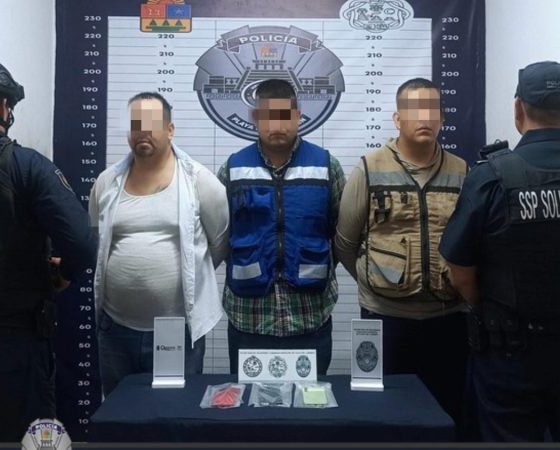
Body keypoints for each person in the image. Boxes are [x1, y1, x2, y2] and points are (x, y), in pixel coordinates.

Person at [0, 54, 96, 441]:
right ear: (1, 105)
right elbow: (81, 242)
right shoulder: (25, 165)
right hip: (10, 350)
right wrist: (61, 274)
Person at [334, 78, 468, 429]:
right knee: (384, 415)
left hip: (447, 318)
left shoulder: (461, 171)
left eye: (432, 110)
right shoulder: (369, 168)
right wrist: (376, 281)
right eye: (414, 109)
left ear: (442, 118)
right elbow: (345, 243)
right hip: (385, 319)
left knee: (447, 413)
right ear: (397, 118)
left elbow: (470, 243)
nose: (424, 117)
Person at [440, 61, 560, 442]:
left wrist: (488, 306)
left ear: (518, 110)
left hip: (511, 354)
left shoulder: (491, 176)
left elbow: (459, 270)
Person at [89, 92, 229, 395]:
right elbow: (97, 242)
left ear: (170, 129)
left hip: (178, 330)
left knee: (174, 413)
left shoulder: (200, 181)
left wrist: (184, 271)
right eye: (135, 124)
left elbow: (218, 245)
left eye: (151, 123)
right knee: (118, 413)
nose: (143, 131)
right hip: (115, 330)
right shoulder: (106, 182)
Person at [217, 79, 346, 375]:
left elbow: (341, 237)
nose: (276, 124)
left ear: (298, 117)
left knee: (311, 401)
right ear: (255, 118)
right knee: (249, 402)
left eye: (284, 116)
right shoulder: (233, 169)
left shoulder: (327, 167)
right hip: (249, 320)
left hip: (310, 318)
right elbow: (220, 239)